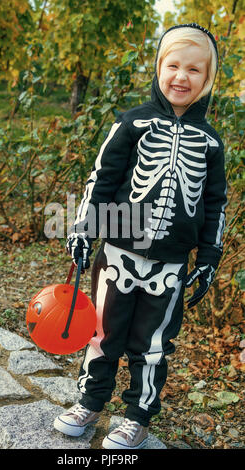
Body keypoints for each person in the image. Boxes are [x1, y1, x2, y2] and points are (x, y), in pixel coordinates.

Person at [53, 23, 227, 449]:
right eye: (173, 65)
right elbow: (103, 179)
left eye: (194, 70)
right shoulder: (131, 123)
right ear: (158, 67)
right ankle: (90, 403)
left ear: (208, 80)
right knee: (102, 334)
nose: (181, 77)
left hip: (169, 265)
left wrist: (208, 256)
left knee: (152, 346)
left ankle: (137, 416)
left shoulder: (210, 143)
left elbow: (214, 204)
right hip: (117, 254)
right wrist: (82, 230)